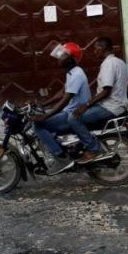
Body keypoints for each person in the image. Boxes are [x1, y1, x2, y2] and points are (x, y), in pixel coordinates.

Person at [68, 37, 128, 165]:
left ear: (102, 48)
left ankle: (94, 150)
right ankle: (83, 144)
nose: (94, 51)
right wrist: (125, 99)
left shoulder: (108, 64)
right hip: (117, 106)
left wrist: (86, 105)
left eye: (95, 48)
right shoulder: (119, 62)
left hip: (109, 107)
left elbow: (106, 91)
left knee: (73, 118)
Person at [31, 42, 90, 173]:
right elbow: (62, 93)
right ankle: (62, 149)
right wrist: (43, 105)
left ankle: (61, 157)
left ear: (72, 58)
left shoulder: (76, 74)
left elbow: (65, 99)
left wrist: (45, 116)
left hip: (72, 114)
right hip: (69, 111)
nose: (59, 58)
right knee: (45, 120)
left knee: (38, 126)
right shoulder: (71, 73)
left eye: (63, 55)